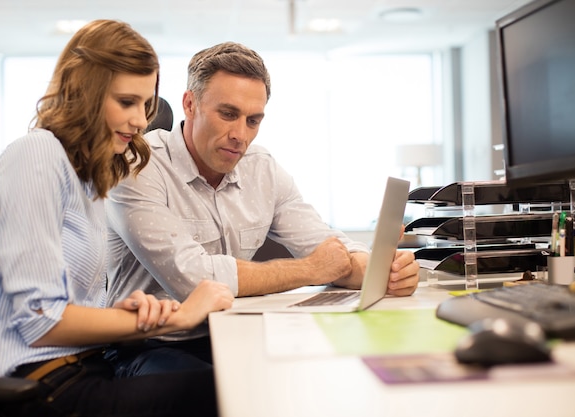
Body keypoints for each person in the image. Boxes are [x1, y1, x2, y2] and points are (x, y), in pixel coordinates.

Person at [0, 20, 233, 417]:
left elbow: (60, 302)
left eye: (146, 104)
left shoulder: (85, 177)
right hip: (38, 383)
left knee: (229, 373)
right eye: (127, 102)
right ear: (84, 95)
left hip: (82, 366)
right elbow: (42, 323)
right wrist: (177, 318)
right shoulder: (36, 155)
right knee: (233, 388)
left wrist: (121, 312)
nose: (141, 120)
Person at [105, 41, 420, 354]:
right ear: (190, 104)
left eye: (253, 120)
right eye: (228, 114)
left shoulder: (262, 168)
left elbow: (326, 247)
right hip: (155, 344)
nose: (241, 135)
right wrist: (311, 270)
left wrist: (378, 272)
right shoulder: (138, 166)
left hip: (237, 332)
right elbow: (195, 279)